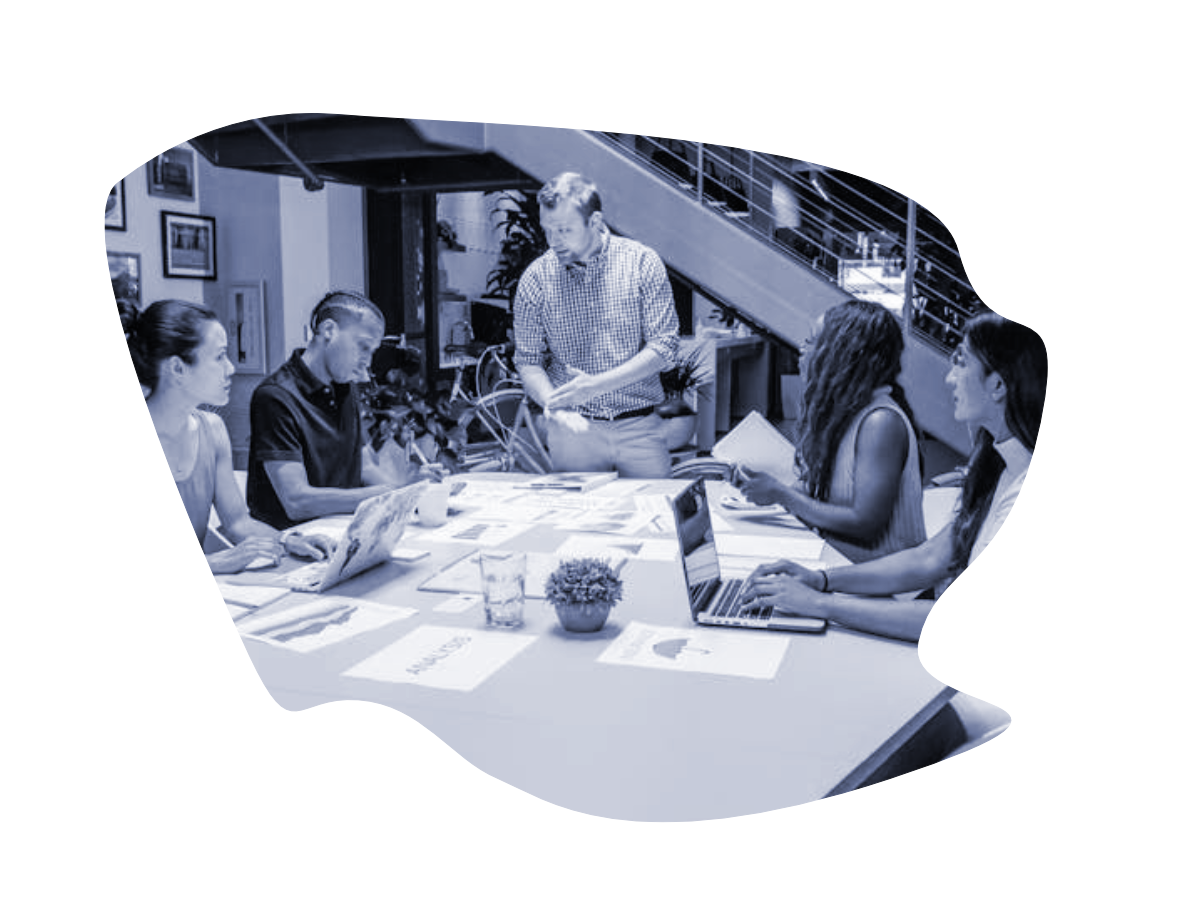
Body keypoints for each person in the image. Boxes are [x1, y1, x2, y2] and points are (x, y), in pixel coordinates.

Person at [737, 312, 1047, 644]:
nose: (950, 378)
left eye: (962, 362)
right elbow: (929, 557)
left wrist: (819, 603)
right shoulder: (994, 465)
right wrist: (821, 580)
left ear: (998, 385)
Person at [120, 299, 334, 575]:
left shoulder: (213, 430)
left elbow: (237, 523)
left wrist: (289, 541)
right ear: (177, 368)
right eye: (220, 356)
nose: (231, 368)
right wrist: (215, 563)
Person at [513, 172, 681, 479]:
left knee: (652, 508)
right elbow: (528, 361)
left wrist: (597, 385)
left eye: (565, 230)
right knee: (577, 511)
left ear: (595, 221)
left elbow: (664, 347)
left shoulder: (641, 262)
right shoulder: (536, 279)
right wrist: (553, 403)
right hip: (572, 431)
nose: (554, 241)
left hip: (639, 428)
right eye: (547, 230)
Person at [733, 300, 926, 564]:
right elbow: (830, 497)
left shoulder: (880, 422)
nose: (802, 349)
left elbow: (865, 523)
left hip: (886, 580)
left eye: (812, 341)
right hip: (846, 565)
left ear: (842, 355)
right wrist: (768, 485)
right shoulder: (847, 413)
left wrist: (780, 493)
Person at [247, 290, 444, 531]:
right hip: (293, 541)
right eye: (363, 347)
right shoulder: (275, 397)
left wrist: (408, 494)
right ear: (329, 330)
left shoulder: (345, 388)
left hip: (343, 531)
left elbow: (365, 467)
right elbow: (296, 501)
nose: (367, 363)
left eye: (372, 352)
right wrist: (391, 493)